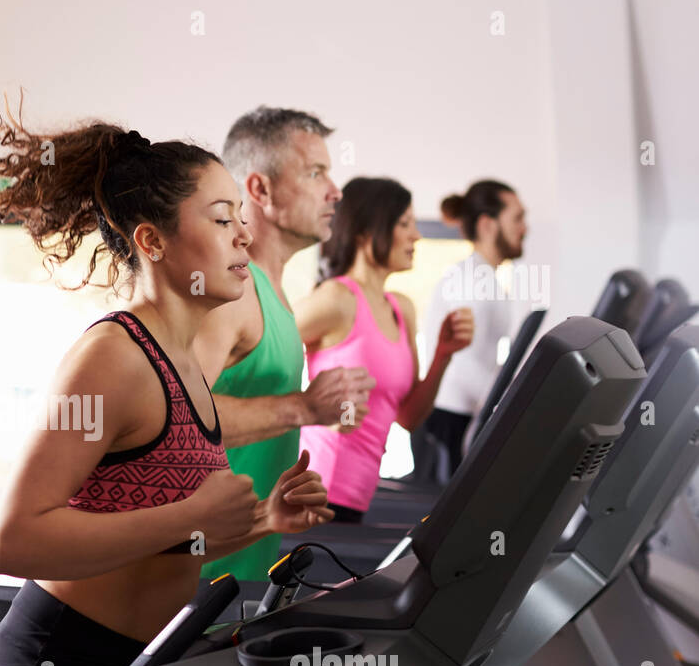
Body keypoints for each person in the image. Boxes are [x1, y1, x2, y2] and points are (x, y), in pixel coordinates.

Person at [0, 103, 333, 666]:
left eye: (239, 219)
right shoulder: (112, 360)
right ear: (153, 240)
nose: (243, 236)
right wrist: (195, 521)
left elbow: (159, 523)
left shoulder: (185, 366)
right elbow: (15, 539)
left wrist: (263, 521)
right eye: (221, 219)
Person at [193, 108, 375, 579]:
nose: (335, 190)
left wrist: (323, 412)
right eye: (315, 173)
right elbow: (175, 419)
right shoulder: (232, 293)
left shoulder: (275, 294)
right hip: (194, 590)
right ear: (260, 190)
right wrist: (303, 407)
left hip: (245, 577)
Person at [294, 178, 474, 522]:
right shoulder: (337, 299)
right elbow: (257, 353)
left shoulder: (400, 308)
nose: (416, 235)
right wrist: (309, 409)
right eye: (404, 223)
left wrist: (443, 354)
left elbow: (408, 418)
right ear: (364, 232)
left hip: (358, 495)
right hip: (315, 493)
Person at [414, 180, 528, 480]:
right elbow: (463, 360)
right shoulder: (469, 281)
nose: (524, 228)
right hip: (450, 420)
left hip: (465, 417)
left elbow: (482, 359)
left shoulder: (486, 279)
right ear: (488, 225)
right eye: (517, 218)